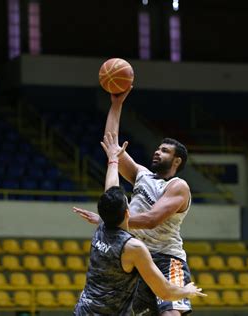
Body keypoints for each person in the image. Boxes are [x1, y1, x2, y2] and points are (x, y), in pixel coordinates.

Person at [74, 88, 194, 315]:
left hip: (167, 258)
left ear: (176, 160)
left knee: (171, 312)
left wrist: (109, 219)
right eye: (158, 148)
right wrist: (116, 105)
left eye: (165, 151)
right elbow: (111, 144)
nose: (158, 152)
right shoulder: (142, 174)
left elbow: (151, 220)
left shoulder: (178, 187)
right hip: (135, 256)